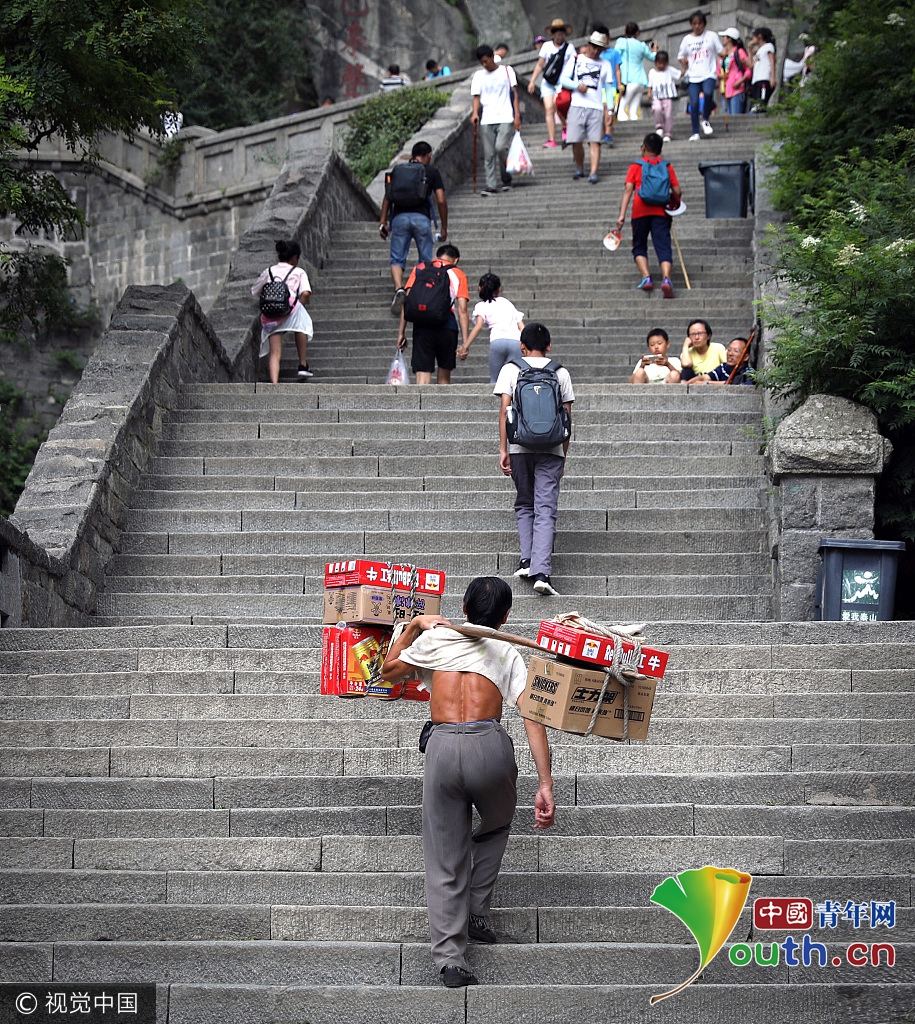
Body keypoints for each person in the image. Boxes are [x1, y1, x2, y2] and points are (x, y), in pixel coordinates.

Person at [380, 577, 556, 989]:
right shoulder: (506, 650)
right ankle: (476, 909)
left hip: (441, 746)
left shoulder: (435, 641)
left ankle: (450, 960)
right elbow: (533, 717)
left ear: (462, 607)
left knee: (445, 855)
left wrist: (415, 625)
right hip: (489, 747)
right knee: (496, 824)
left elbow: (388, 673)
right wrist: (545, 781)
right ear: (506, 616)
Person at [495, 323, 574, 596]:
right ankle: (542, 573)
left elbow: (505, 411)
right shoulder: (560, 372)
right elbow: (567, 417)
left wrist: (503, 449)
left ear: (522, 346)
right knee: (545, 508)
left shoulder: (511, 369)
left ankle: (527, 560)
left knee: (524, 504)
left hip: (519, 447)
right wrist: (563, 453)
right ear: (549, 346)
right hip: (552, 448)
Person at [380, 141, 448, 315]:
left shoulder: (398, 170)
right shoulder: (431, 172)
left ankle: (399, 289)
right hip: (422, 219)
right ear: (428, 155)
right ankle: (416, 291)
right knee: (425, 260)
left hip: (399, 218)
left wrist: (383, 222)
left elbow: (388, 197)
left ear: (412, 155)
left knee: (396, 259)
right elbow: (440, 199)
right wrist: (444, 227)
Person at [615, 132, 681, 298]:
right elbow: (677, 190)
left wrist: (621, 215)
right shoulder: (667, 166)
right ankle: (666, 279)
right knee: (663, 245)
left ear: (644, 148)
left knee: (639, 245)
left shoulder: (636, 166)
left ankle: (646, 277)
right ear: (659, 149)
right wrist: (674, 201)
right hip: (661, 212)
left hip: (640, 211)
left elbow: (628, 190)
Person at [396, 243, 469, 385]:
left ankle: (421, 405)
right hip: (447, 326)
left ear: (437, 257)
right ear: (456, 260)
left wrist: (401, 332)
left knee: (422, 374)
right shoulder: (458, 273)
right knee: (444, 377)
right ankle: (442, 405)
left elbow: (408, 301)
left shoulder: (420, 269)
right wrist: (465, 342)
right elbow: (462, 309)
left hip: (422, 326)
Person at [250, 239, 313, 383]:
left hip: (272, 313)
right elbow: (306, 293)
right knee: (301, 323)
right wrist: (300, 305)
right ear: (295, 258)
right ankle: (303, 364)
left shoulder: (269, 271)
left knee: (275, 352)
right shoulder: (298, 271)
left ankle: (274, 383)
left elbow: (255, 291)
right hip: (291, 308)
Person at [559, 30, 613, 184]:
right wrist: (577, 86)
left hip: (596, 107)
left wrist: (610, 109)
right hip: (577, 105)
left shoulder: (606, 64)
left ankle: (593, 171)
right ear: (588, 45)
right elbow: (563, 79)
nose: (596, 51)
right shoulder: (576, 59)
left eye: (599, 49)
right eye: (594, 47)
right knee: (576, 140)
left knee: (595, 140)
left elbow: (608, 88)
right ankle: (580, 166)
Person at [471, 45, 521, 197]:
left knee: (500, 148)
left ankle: (506, 178)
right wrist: (474, 113)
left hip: (505, 115)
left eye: (486, 61)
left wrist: (517, 115)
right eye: (482, 62)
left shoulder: (506, 70)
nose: (485, 65)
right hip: (487, 117)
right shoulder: (479, 75)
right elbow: (476, 97)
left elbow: (515, 93)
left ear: (492, 57)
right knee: (489, 153)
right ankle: (491, 185)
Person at [459, 273, 525, 383]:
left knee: (495, 380)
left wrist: (465, 346)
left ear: (480, 288)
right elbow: (521, 326)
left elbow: (478, 326)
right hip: (515, 341)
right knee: (514, 380)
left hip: (497, 341)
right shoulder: (507, 303)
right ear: (499, 289)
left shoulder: (481, 305)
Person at [527, 18, 576, 149]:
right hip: (548, 82)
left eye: (562, 32)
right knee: (549, 109)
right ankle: (552, 139)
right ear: (553, 34)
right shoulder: (547, 47)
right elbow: (540, 64)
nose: (559, 35)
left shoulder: (569, 48)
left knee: (558, 105)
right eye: (557, 32)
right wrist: (532, 81)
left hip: (562, 82)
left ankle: (565, 127)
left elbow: (574, 65)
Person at [678, 10, 722, 141]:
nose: (697, 26)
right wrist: (683, 62)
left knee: (708, 93)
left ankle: (706, 119)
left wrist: (724, 54)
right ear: (691, 25)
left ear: (704, 24)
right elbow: (681, 55)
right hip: (693, 76)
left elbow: (720, 50)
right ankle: (695, 131)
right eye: (694, 24)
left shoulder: (712, 36)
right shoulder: (687, 39)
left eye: (700, 23)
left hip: (709, 73)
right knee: (695, 103)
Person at [614, 22, 658, 122]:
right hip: (640, 81)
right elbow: (653, 58)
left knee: (622, 107)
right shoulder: (641, 45)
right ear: (637, 33)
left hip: (628, 79)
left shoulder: (622, 42)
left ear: (625, 32)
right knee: (633, 110)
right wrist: (655, 50)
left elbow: (615, 56)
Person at [594, 23, 623, 145]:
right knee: (600, 111)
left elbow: (617, 69)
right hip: (598, 87)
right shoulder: (595, 53)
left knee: (608, 109)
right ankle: (601, 134)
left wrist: (620, 84)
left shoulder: (614, 53)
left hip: (611, 86)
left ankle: (608, 133)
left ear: (608, 38)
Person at [689, 336, 754, 384]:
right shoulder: (724, 367)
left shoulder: (749, 373)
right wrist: (688, 384)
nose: (730, 353)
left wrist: (708, 383)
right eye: (729, 350)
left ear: (746, 357)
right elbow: (705, 377)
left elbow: (736, 386)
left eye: (736, 351)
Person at [647, 50, 681, 141]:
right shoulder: (652, 72)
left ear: (667, 63)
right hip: (656, 95)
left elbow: (679, 74)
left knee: (668, 114)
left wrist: (685, 66)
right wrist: (649, 92)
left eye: (663, 63)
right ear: (656, 63)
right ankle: (659, 126)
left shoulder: (669, 70)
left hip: (667, 95)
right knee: (657, 109)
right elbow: (650, 84)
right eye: (659, 63)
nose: (661, 65)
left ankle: (667, 133)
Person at [718, 29, 751, 115]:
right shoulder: (723, 55)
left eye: (724, 37)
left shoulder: (739, 52)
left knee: (735, 115)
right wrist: (720, 75)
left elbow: (748, 70)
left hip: (736, 88)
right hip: (724, 88)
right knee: (727, 115)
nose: (723, 39)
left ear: (729, 39)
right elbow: (718, 70)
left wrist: (740, 81)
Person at [749, 27, 776, 111]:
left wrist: (772, 77)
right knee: (756, 103)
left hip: (764, 77)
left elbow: (772, 61)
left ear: (759, 36)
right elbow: (751, 65)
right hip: (756, 79)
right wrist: (750, 51)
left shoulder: (768, 46)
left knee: (761, 103)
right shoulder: (759, 51)